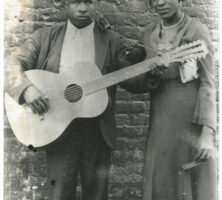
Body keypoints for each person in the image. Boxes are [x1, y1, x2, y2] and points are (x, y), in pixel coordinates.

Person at [4, 0, 156, 199]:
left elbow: (132, 82)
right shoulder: (44, 38)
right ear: (65, 4)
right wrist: (26, 89)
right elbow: (9, 65)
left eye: (89, 2)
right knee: (59, 195)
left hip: (97, 132)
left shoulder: (111, 41)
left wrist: (154, 72)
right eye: (76, 2)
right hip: (58, 131)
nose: (83, 8)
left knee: (97, 196)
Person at [141, 0, 217, 200]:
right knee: (161, 177)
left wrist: (207, 133)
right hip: (160, 116)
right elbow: (141, 81)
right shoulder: (149, 33)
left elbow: (208, 83)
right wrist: (153, 75)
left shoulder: (197, 30)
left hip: (190, 117)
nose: (160, 2)